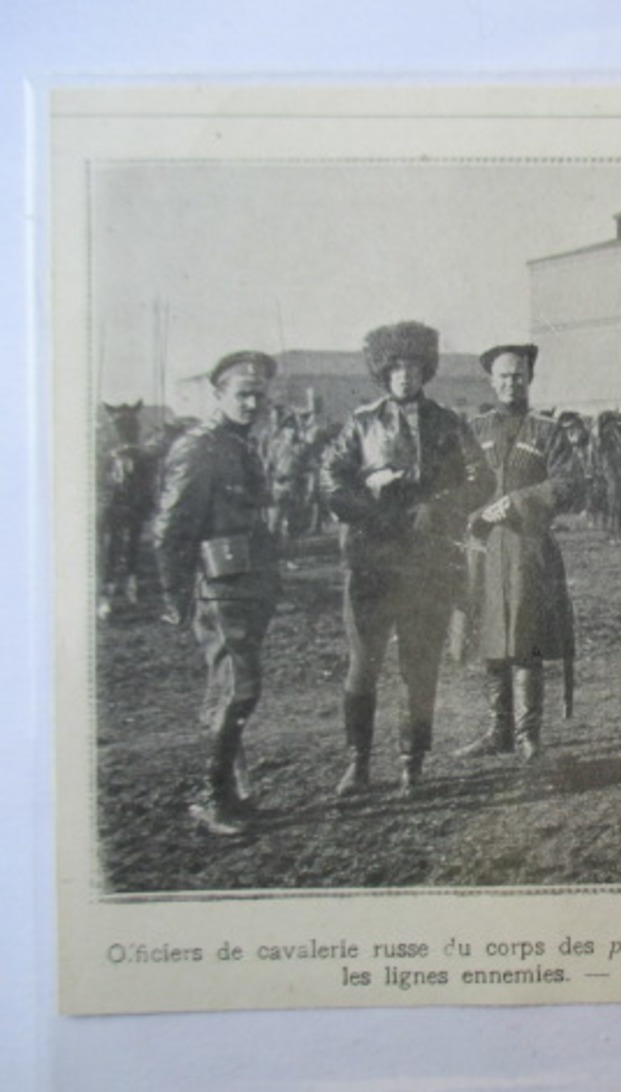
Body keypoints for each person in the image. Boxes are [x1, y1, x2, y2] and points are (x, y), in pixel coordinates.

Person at [320, 321, 486, 798]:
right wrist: (368, 502)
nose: (405, 377)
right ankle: (359, 763)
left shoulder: (449, 424)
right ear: (383, 373)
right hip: (371, 561)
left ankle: (413, 763)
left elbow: (481, 478)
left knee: (420, 664)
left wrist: (441, 506)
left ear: (426, 371)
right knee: (363, 664)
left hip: (426, 563)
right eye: (395, 369)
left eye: (413, 368)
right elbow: (330, 479)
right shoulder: (361, 423)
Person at [153, 351, 281, 836]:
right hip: (218, 587)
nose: (250, 403)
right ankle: (213, 798)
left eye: (257, 395)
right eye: (241, 394)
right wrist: (174, 594)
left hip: (248, 585)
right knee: (237, 689)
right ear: (218, 395)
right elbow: (169, 529)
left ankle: (232, 793)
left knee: (234, 690)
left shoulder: (242, 444)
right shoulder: (200, 447)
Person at [453, 343, 582, 763]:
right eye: (504, 376)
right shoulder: (475, 430)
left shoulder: (546, 431)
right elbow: (457, 486)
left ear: (529, 378)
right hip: (486, 549)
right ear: (492, 380)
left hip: (529, 548)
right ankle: (498, 730)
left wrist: (523, 501)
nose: (512, 382)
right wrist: (475, 514)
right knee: (492, 637)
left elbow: (570, 484)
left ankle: (529, 734)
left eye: (519, 375)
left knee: (526, 637)